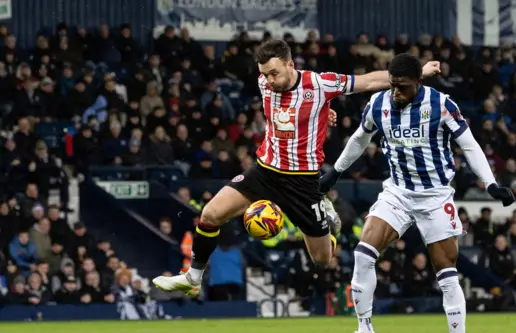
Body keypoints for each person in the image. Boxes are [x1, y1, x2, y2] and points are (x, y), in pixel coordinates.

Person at [153, 40, 441, 295]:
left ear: (291, 64)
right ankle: (193, 277)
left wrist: (416, 74)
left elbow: (365, 82)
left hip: (302, 183)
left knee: (322, 259)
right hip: (264, 171)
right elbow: (286, 114)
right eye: (264, 73)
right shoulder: (264, 83)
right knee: (211, 214)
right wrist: (323, 114)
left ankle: (326, 219)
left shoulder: (319, 84)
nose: (269, 79)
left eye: (274, 72)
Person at [319, 54, 515, 333]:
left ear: (418, 83)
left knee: (447, 276)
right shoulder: (379, 104)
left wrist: (491, 183)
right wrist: (336, 173)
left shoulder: (441, 105)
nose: (396, 93)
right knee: (363, 252)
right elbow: (359, 138)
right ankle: (365, 331)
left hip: (435, 198)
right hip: (397, 192)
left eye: (403, 87)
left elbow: (469, 145)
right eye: (393, 86)